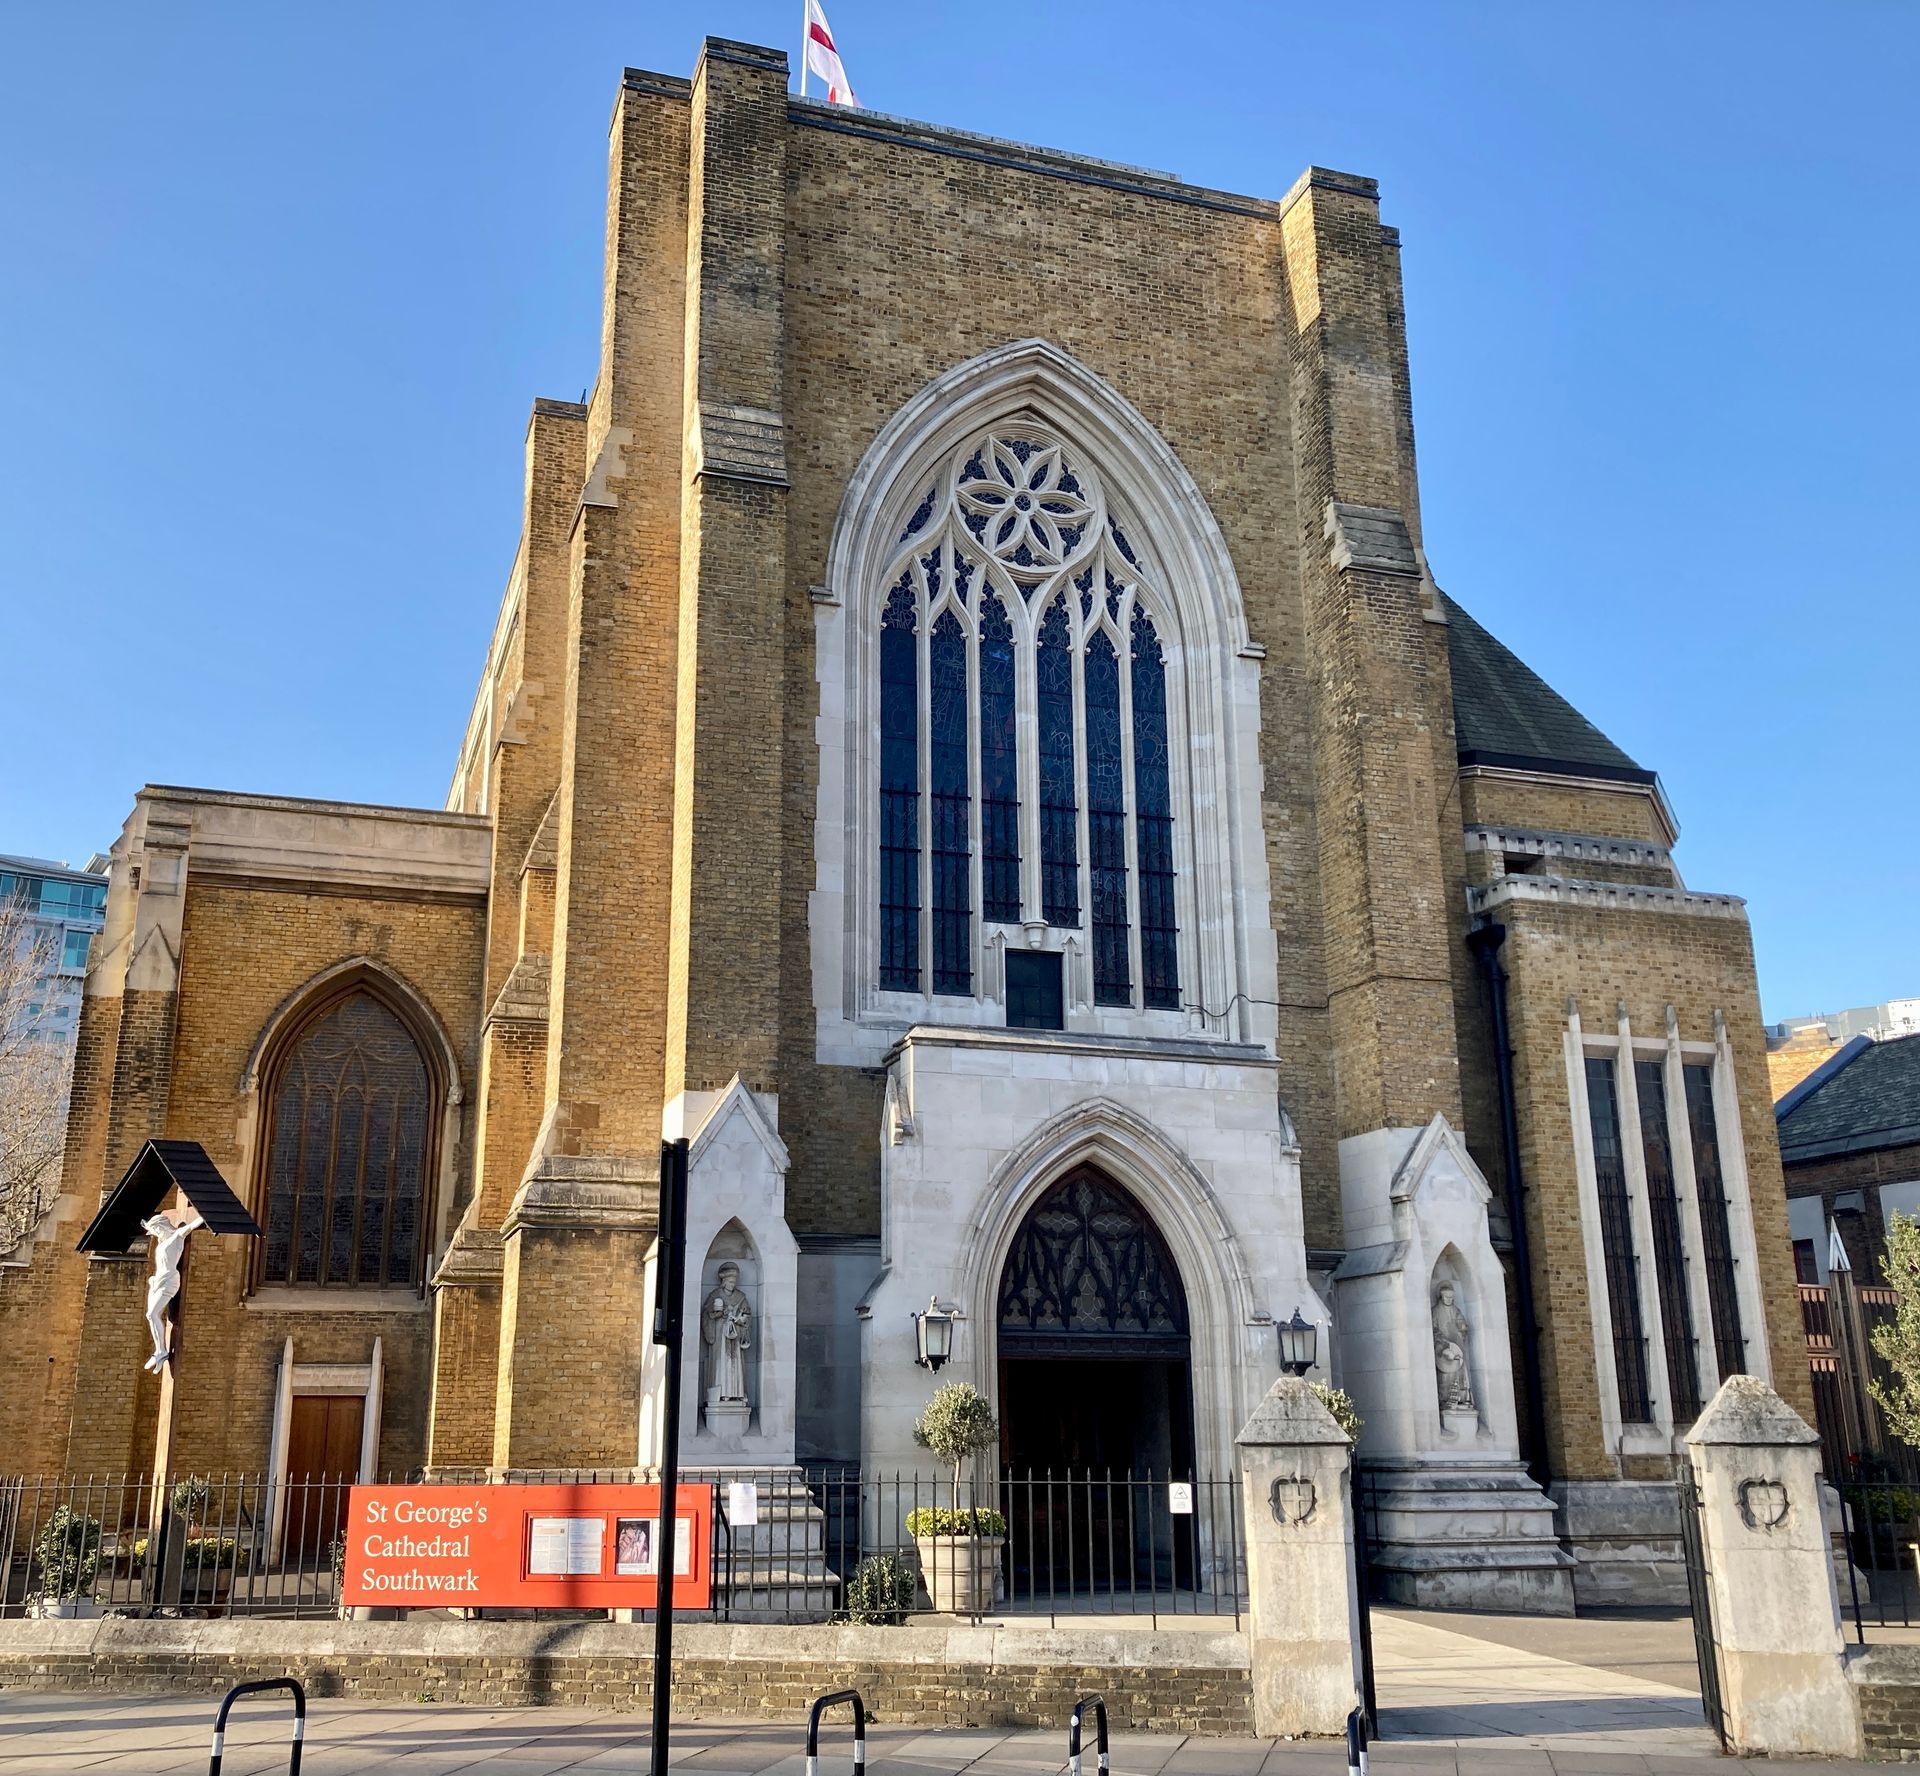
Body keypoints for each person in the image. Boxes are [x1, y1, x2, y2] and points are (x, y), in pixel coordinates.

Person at [141, 1207, 205, 1374]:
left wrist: (207, 1213)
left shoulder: (177, 1236)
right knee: (150, 1315)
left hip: (169, 1280)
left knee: (153, 1314)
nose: (155, 1233)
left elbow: (192, 1225)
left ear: (161, 1227)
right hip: (157, 1281)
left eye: (155, 1229)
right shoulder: (161, 1243)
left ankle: (161, 1352)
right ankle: (159, 1351)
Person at [702, 1261, 752, 1402]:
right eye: (730, 1282)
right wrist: (717, 1313)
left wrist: (739, 1319)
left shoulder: (740, 1297)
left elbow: (747, 1315)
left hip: (735, 1334)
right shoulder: (715, 1295)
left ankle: (738, 1392)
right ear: (724, 1282)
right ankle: (722, 1392)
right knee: (721, 1362)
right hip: (720, 1333)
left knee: (735, 1362)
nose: (732, 1284)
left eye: (734, 1282)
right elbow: (707, 1314)